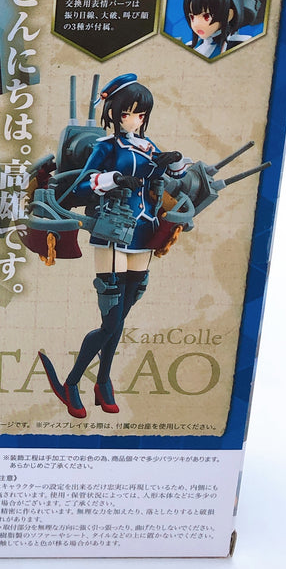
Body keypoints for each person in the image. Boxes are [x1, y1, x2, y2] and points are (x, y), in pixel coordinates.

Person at [38, 74, 188, 418]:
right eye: (127, 113)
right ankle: (71, 383)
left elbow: (177, 176)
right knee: (110, 321)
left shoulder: (148, 146)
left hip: (144, 232)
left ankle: (103, 381)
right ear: (115, 113)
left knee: (120, 319)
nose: (133, 119)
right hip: (112, 230)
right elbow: (78, 187)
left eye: (140, 114)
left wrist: (173, 160)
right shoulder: (106, 147)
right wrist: (113, 179)